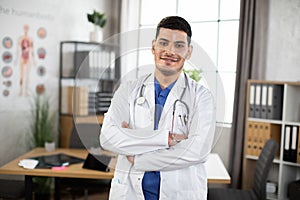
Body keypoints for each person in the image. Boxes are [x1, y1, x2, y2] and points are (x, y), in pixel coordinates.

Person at [100, 16, 216, 200]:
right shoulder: (128, 90)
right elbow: (107, 138)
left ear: (189, 51)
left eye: (179, 45)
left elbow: (198, 151)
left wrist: (139, 158)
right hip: (130, 192)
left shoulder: (201, 97)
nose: (170, 51)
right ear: (153, 47)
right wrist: (165, 139)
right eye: (164, 43)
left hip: (179, 193)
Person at [16, 24, 35, 96]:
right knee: (21, 75)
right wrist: (16, 59)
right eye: (25, 28)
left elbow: (32, 50)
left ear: (28, 29)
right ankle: (20, 91)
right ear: (23, 29)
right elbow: (17, 50)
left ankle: (26, 91)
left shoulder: (30, 39)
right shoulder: (20, 38)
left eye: (27, 28)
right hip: (22, 58)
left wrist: (34, 60)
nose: (26, 29)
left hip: (28, 58)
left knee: (27, 76)